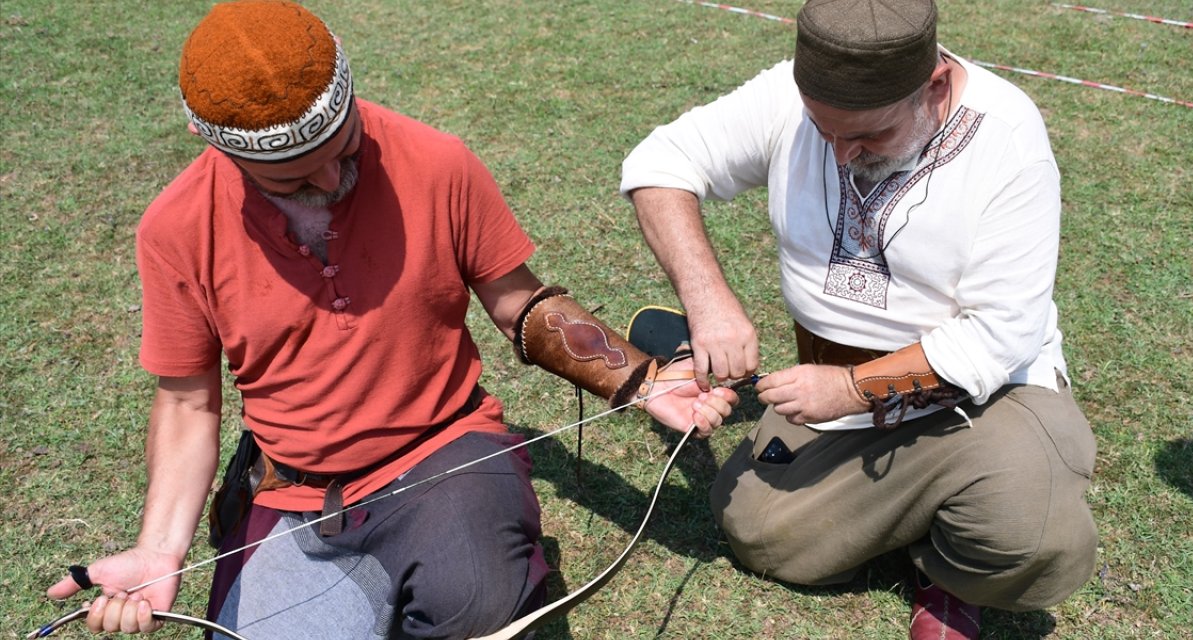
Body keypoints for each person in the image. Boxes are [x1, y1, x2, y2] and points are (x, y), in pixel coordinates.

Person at [41, 2, 738, 638]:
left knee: (474, 603)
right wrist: (161, 550)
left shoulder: (436, 161)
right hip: (296, 493)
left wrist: (638, 380)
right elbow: (189, 402)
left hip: (445, 451)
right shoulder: (175, 227)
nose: (325, 182)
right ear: (212, 141)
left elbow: (517, 300)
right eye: (291, 178)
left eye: (341, 151)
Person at [619, 0, 1098, 638]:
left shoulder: (1007, 140)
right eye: (825, 131)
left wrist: (849, 388)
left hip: (981, 403)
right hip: (827, 396)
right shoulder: (790, 98)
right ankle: (914, 509)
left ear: (932, 88)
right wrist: (708, 303)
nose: (842, 154)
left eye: (868, 136)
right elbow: (659, 164)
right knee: (763, 536)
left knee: (1028, 530)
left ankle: (948, 574)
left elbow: (996, 338)